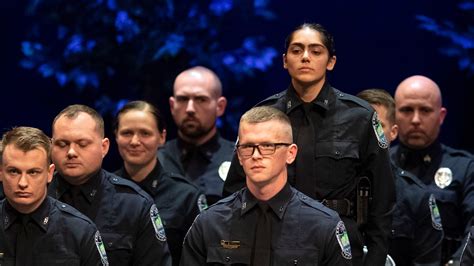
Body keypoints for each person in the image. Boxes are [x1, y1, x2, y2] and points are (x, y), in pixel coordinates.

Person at [223, 23, 395, 265]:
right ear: (284, 60)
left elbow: (383, 198)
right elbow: (235, 191)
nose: (305, 57)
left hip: (340, 246)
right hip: (271, 244)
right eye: (296, 50)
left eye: (315, 51)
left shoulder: (360, 117)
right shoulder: (262, 116)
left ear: (331, 61)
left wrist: (374, 260)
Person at [181, 106, 352, 265]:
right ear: (239, 156)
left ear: (291, 154)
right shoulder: (209, 223)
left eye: (268, 146)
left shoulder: (323, 225)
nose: (256, 155)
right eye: (248, 146)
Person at [47, 104, 171, 265]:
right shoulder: (34, 197)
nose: (71, 152)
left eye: (82, 144)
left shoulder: (134, 205)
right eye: (62, 144)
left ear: (104, 147)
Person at [390, 75, 474, 264]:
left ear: (441, 115)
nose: (416, 119)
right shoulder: (380, 165)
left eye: (425, 110)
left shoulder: (466, 168)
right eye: (407, 110)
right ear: (393, 114)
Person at [113, 100, 206, 266]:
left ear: (162, 137)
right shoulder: (102, 191)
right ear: (116, 136)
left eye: (145, 133)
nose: (135, 141)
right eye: (127, 133)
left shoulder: (187, 197)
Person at [357, 88, 444, 265]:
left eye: (377, 125)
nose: (368, 134)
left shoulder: (417, 198)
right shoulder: (327, 188)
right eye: (360, 125)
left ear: (393, 132)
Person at [0, 126, 108, 265]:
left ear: (49, 173)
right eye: (14, 171)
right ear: (1, 172)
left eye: (33, 172)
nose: (23, 183)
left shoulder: (80, 231)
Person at [158, 66, 234, 205]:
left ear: (220, 106)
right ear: (172, 106)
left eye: (200, 99)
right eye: (182, 99)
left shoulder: (239, 160)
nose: (190, 109)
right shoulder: (155, 160)